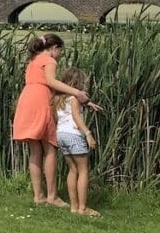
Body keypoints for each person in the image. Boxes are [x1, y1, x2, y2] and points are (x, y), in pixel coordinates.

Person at [12, 33, 98, 207]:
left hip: (27, 99)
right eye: (60, 51)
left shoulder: (33, 60)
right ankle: (52, 196)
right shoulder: (50, 61)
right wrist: (77, 93)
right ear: (54, 48)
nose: (60, 55)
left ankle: (38, 196)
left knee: (35, 150)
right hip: (40, 101)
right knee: (50, 148)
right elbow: (51, 82)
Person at [54, 67, 100, 217]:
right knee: (83, 171)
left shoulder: (58, 98)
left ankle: (74, 207)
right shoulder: (74, 98)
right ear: (77, 82)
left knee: (72, 170)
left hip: (61, 135)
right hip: (74, 135)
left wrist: (87, 104)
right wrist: (88, 134)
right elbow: (76, 116)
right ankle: (82, 208)